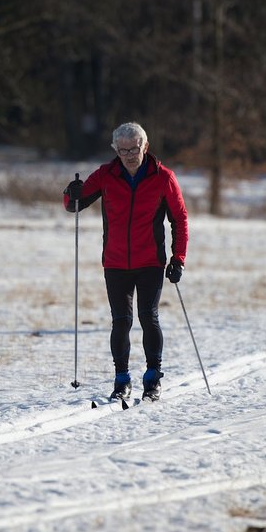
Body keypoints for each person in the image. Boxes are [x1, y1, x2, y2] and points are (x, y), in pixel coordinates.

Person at [64, 121, 189, 401]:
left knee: (148, 317)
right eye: (123, 150)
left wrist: (177, 258)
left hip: (150, 262)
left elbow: (179, 219)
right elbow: (74, 203)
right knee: (121, 321)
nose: (130, 155)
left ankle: (153, 378)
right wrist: (70, 192)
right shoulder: (106, 176)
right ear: (115, 150)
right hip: (116, 262)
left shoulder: (163, 177)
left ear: (145, 146)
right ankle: (121, 380)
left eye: (134, 148)